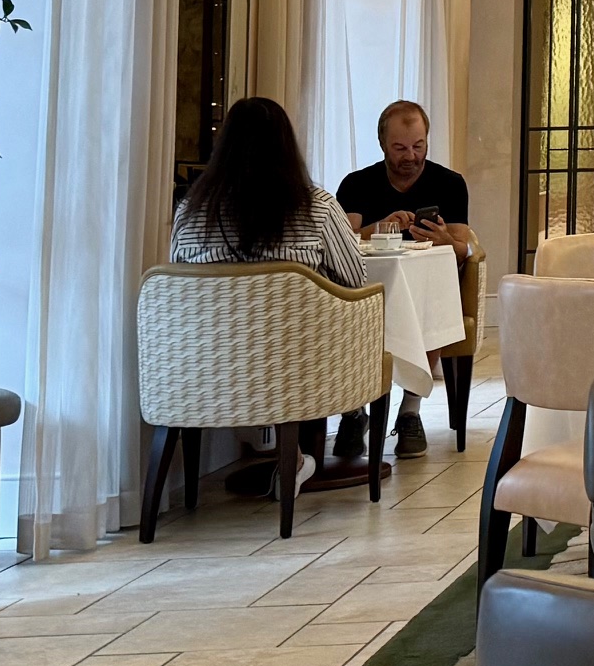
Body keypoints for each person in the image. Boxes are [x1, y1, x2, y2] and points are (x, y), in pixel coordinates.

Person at [171, 96, 369, 495]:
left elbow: (180, 287)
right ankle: (321, 437)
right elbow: (355, 281)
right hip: (298, 366)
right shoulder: (318, 208)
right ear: (287, 147)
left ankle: (196, 486)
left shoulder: (190, 212)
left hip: (206, 365)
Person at [335, 99, 472, 460]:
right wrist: (378, 228)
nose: (411, 156)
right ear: (382, 144)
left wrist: (445, 240)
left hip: (426, 287)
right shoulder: (357, 184)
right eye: (400, 148)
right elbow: (342, 241)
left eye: (418, 146)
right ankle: (353, 410)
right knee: (342, 302)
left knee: (432, 294)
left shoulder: (449, 183)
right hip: (367, 285)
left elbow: (463, 250)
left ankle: (410, 411)